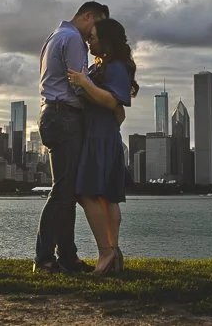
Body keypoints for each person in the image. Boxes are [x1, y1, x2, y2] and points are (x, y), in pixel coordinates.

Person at [33, 1, 110, 273]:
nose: (95, 33)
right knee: (64, 191)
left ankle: (67, 256)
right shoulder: (73, 40)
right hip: (65, 116)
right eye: (97, 24)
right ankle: (44, 258)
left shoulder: (54, 37)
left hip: (52, 115)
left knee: (66, 190)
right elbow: (80, 87)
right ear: (88, 16)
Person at [67, 17, 137, 275]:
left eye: (93, 37)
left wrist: (84, 84)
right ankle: (113, 253)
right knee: (107, 197)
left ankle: (106, 253)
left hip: (101, 138)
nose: (89, 40)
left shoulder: (116, 67)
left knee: (86, 193)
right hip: (101, 135)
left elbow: (112, 102)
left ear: (107, 40)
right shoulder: (104, 65)